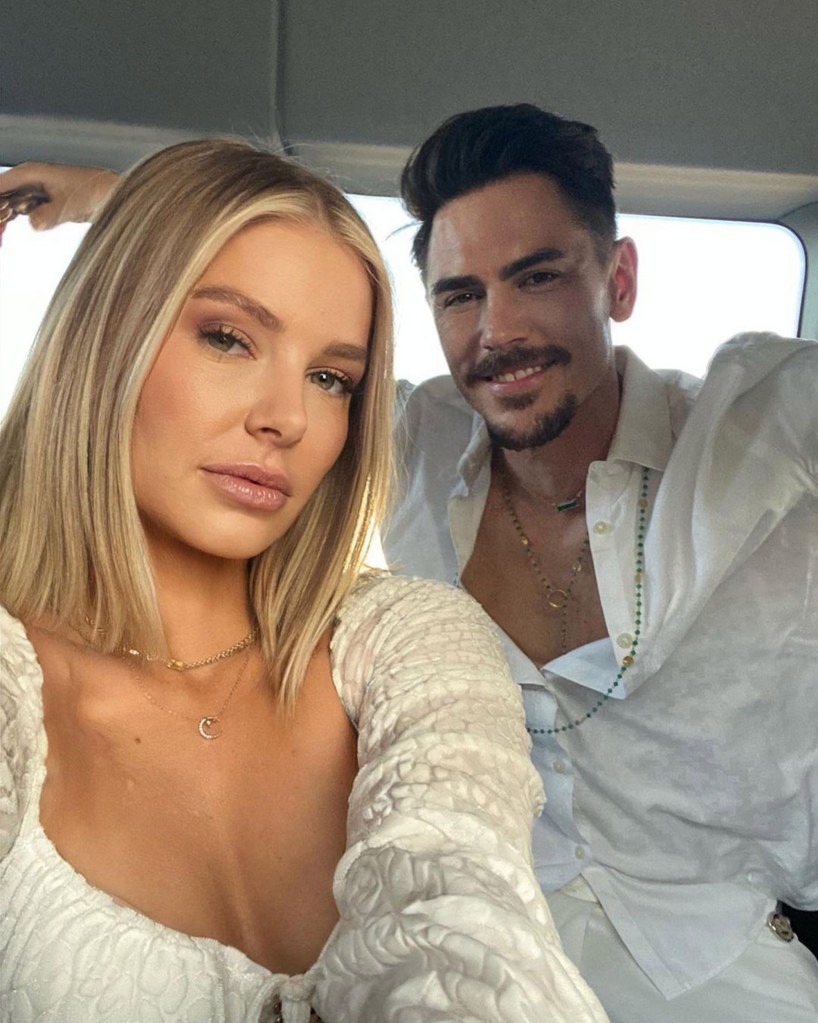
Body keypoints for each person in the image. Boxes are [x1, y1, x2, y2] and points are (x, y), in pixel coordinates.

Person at [0, 140, 609, 1022]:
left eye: (331, 378)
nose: (287, 418)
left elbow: (467, 911)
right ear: (102, 334)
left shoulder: (413, 644)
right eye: (227, 338)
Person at [388, 104, 818, 1020]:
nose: (497, 329)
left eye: (536, 276)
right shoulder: (413, 445)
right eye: (459, 295)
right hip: (478, 951)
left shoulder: (762, 431)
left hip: (722, 958)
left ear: (618, 281)